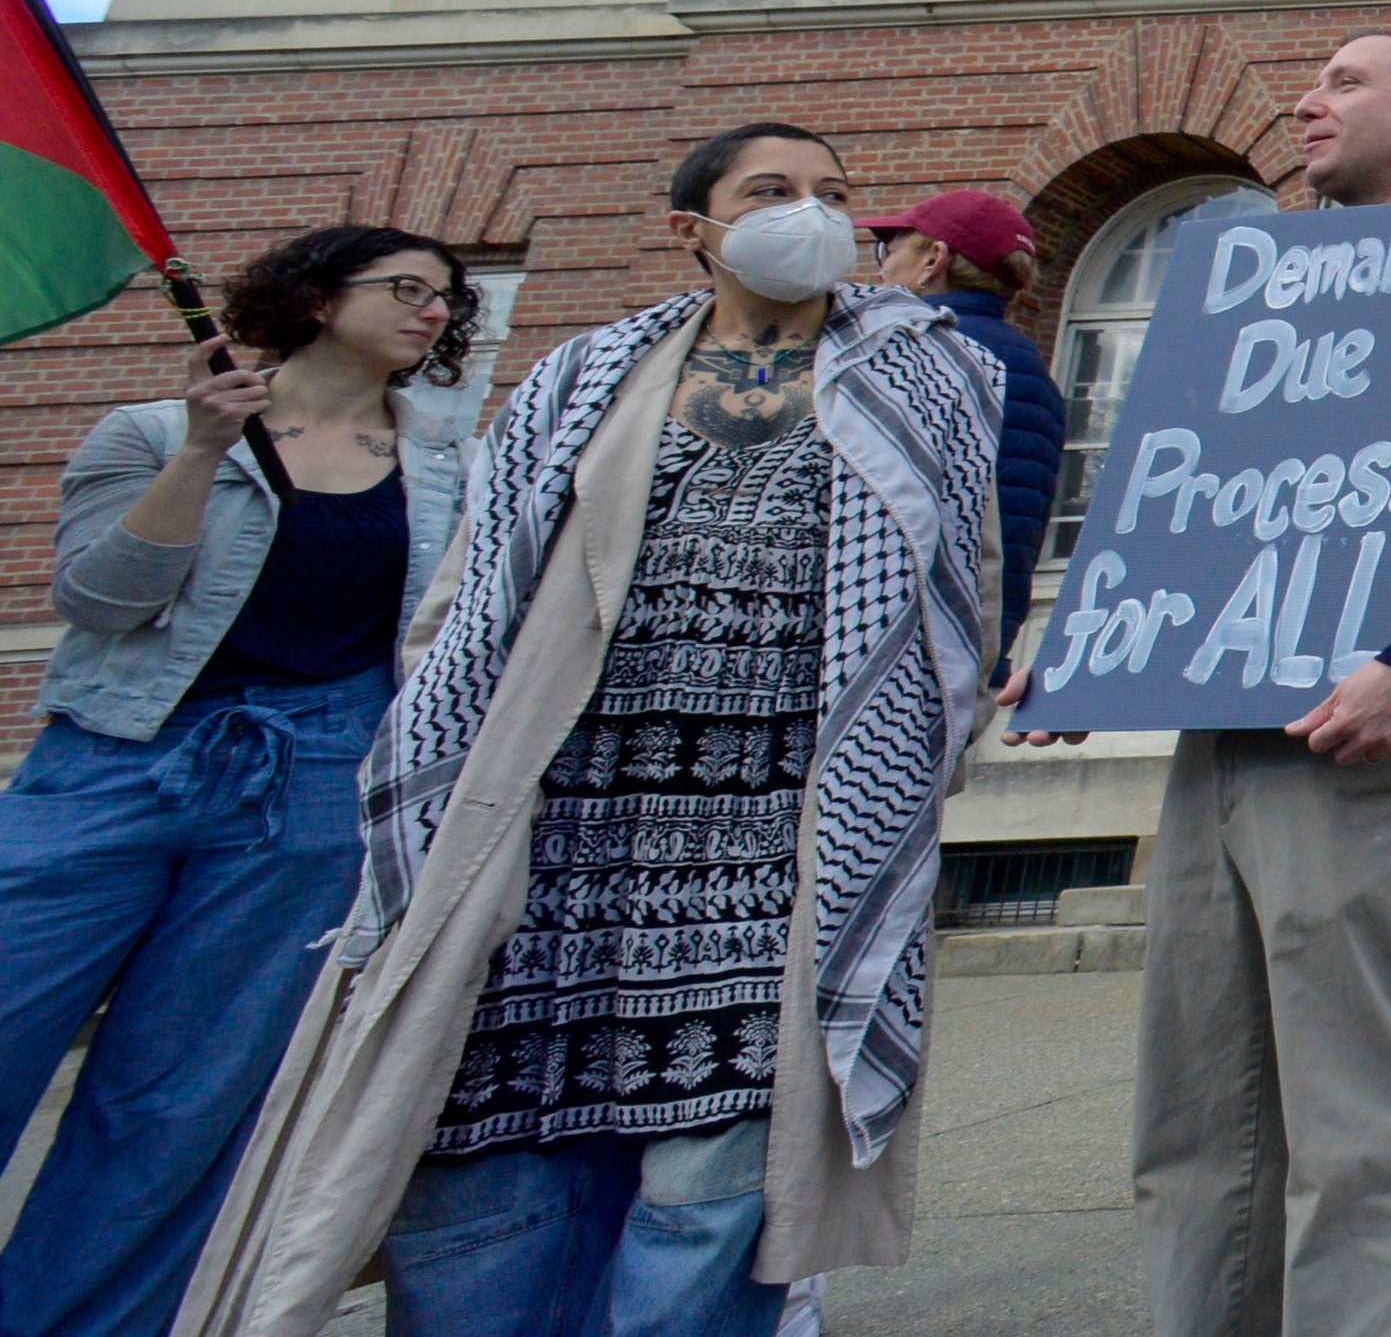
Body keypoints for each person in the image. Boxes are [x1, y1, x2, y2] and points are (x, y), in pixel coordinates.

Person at [182, 122, 1002, 1337]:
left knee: (714, 1196)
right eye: (773, 191)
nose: (813, 213)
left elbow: (961, 587)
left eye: (835, 193)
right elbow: (469, 602)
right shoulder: (581, 375)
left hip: (775, 841)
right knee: (486, 1196)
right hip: (553, 836)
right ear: (694, 230)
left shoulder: (934, 373)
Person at [1025, 35, 1391, 1337]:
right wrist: (1101, 647)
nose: (1304, 104)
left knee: (1359, 1106)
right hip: (1226, 722)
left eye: (1343, 84)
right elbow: (1196, 478)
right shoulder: (1264, 270)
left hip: (1377, 723)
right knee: (1200, 1105)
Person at [0, 227, 476, 1337]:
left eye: (452, 299)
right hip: (116, 757)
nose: (436, 311)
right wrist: (203, 452)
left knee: (180, 1101)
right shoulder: (155, 429)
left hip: (312, 785)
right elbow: (103, 601)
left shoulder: (452, 465)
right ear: (314, 295)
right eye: (406, 287)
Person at [865, 191, 1071, 665]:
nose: (880, 268)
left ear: (932, 259)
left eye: (890, 249)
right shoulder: (1028, 367)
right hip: (973, 637)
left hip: (897, 640)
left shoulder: (918, 355)